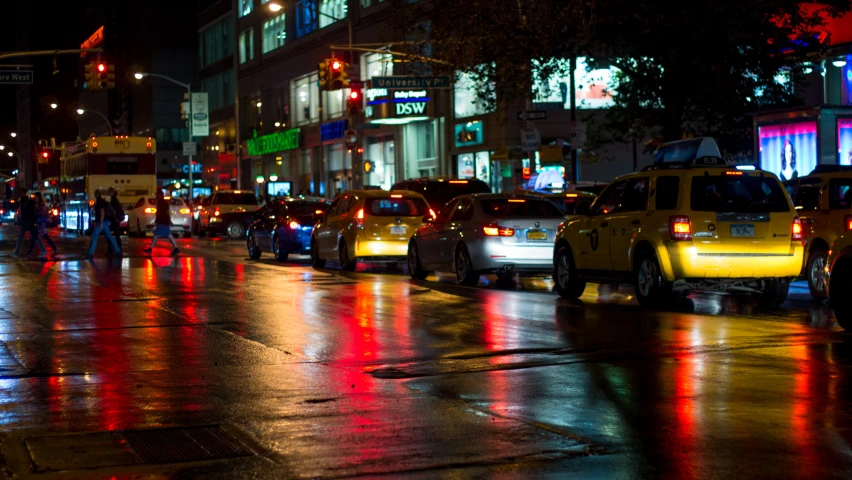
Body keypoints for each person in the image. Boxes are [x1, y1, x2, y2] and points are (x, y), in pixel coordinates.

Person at [142, 189, 179, 256]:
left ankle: (150, 249)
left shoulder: (163, 203)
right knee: (168, 235)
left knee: (157, 236)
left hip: (163, 221)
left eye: (157, 194)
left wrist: (169, 220)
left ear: (160, 195)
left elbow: (166, 212)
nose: (156, 196)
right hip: (162, 221)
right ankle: (176, 248)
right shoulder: (161, 202)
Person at [86, 189, 121, 259]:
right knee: (110, 236)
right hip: (105, 222)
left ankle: (91, 253)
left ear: (96, 194)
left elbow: (102, 211)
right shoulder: (101, 201)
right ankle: (117, 250)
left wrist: (100, 222)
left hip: (102, 222)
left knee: (95, 236)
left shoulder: (99, 201)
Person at [12, 189, 44, 259]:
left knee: (34, 236)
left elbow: (27, 212)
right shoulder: (24, 201)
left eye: (21, 193)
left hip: (27, 222)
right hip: (27, 222)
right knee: (34, 236)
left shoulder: (27, 202)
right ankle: (17, 252)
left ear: (24, 193)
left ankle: (17, 252)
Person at [26, 192, 57, 258]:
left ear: (39, 198)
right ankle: (29, 252)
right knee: (36, 237)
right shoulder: (37, 204)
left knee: (37, 237)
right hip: (38, 223)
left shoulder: (41, 205)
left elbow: (41, 213)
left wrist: (35, 210)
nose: (35, 199)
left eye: (36, 197)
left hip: (40, 223)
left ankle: (31, 252)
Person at [106, 187, 124, 255]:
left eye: (109, 192)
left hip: (114, 220)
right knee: (116, 235)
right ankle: (117, 249)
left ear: (112, 192)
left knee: (111, 235)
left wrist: (114, 218)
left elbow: (114, 211)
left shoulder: (113, 200)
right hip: (116, 220)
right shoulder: (115, 200)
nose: (108, 193)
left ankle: (113, 249)